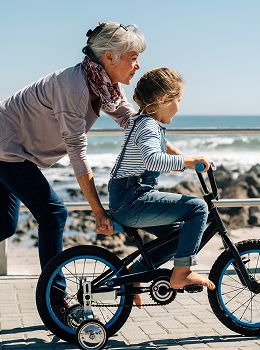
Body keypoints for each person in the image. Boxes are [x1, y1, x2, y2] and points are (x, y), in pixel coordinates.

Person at [0, 21, 146, 315]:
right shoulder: (74, 88)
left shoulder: (102, 85)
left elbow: (131, 121)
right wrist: (97, 211)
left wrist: (179, 154)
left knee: (4, 225)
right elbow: (77, 153)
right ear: (109, 57)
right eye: (133, 57)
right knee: (54, 214)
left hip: (15, 152)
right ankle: (56, 304)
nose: (138, 65)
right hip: (7, 149)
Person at [108, 67, 215, 307]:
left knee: (180, 236)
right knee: (197, 208)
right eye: (179, 100)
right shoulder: (148, 126)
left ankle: (134, 274)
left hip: (127, 197)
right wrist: (188, 162)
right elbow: (152, 159)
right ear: (162, 100)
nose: (180, 106)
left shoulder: (143, 121)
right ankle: (182, 273)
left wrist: (175, 152)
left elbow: (153, 144)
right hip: (133, 198)